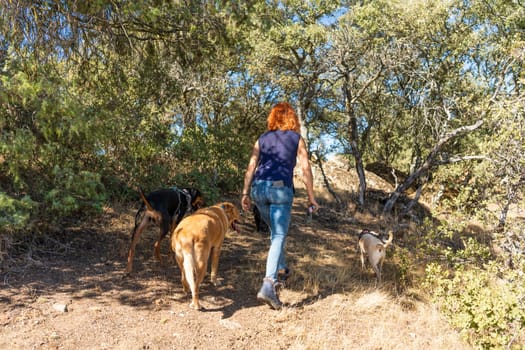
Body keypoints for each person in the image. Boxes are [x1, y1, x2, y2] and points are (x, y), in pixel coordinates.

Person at [241, 102, 319, 310]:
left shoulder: (262, 138)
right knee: (278, 236)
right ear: (292, 118)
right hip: (280, 190)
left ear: (273, 118)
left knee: (275, 233)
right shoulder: (296, 139)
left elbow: (251, 166)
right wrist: (311, 197)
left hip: (258, 190)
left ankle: (282, 268)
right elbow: (305, 169)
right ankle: (268, 284)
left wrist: (245, 193)